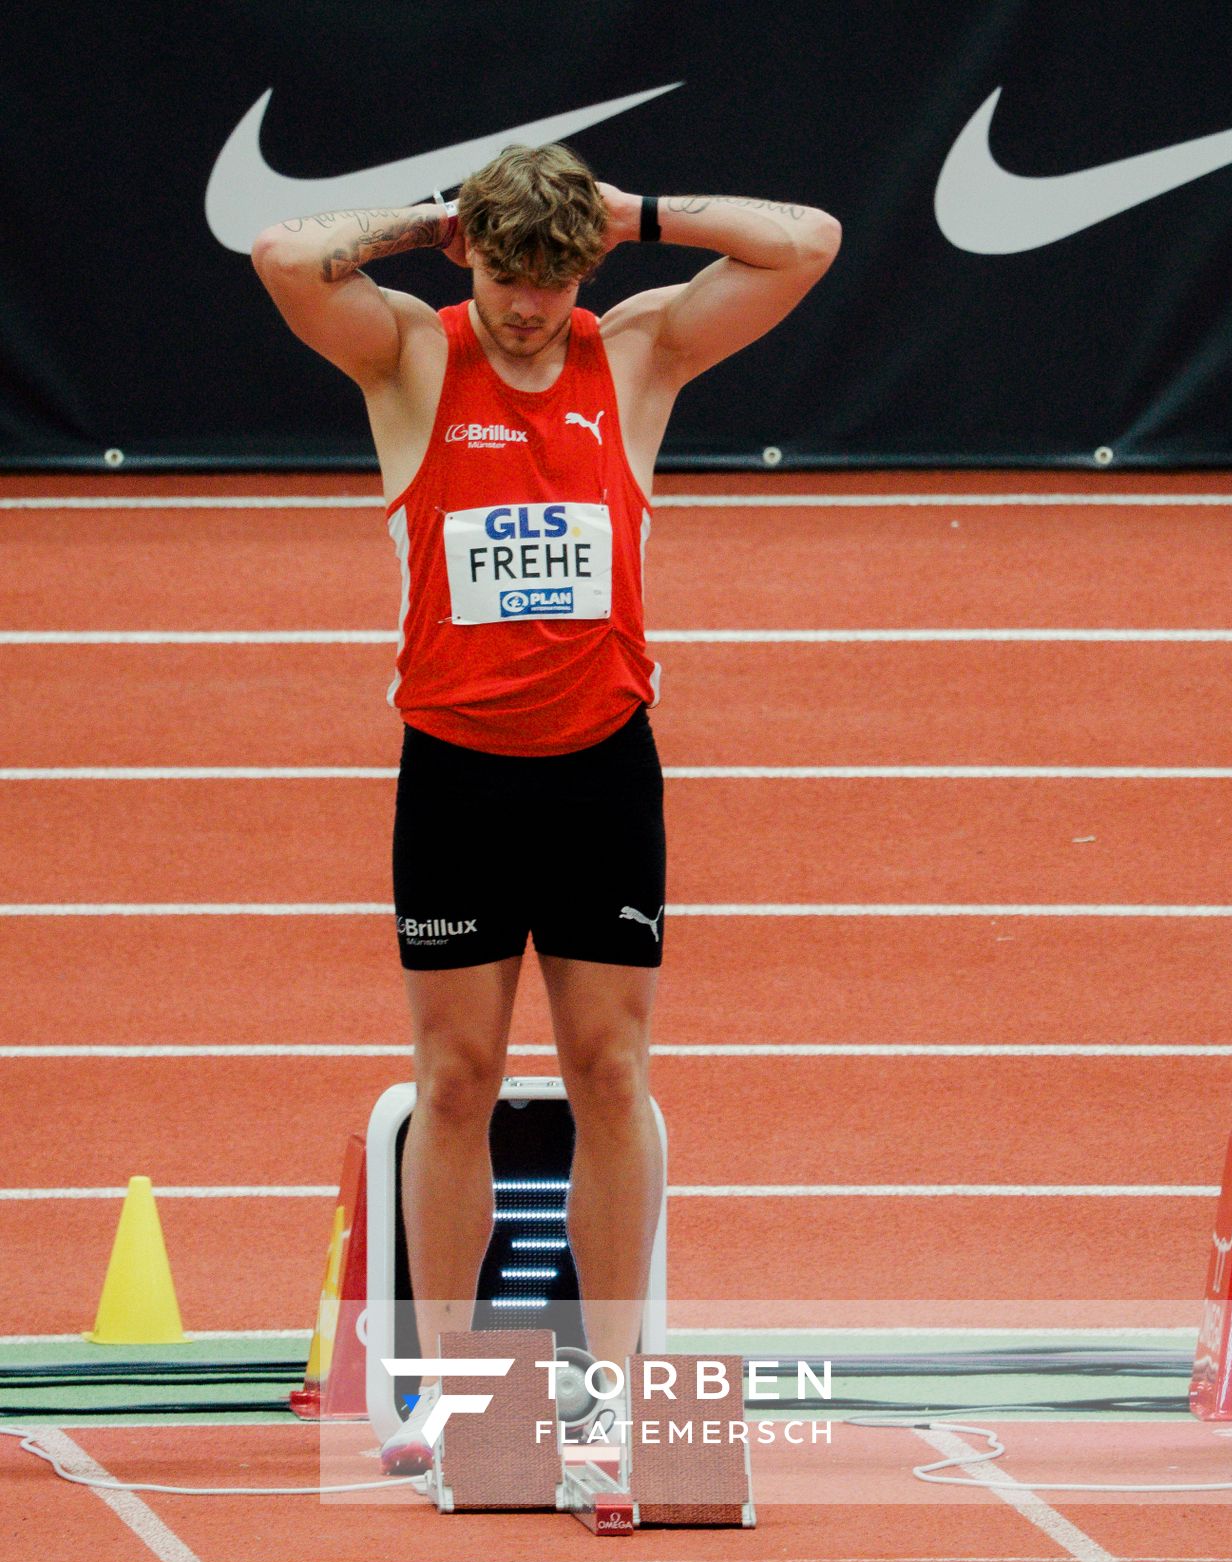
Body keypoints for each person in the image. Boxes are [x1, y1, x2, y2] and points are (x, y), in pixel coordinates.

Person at [252, 146, 840, 1456]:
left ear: (584, 264)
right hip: (458, 770)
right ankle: (456, 1390)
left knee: (610, 1072)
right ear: (478, 260)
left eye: (553, 276)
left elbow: (806, 236)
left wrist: (636, 217)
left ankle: (621, 1385)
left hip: (599, 767)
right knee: (455, 1081)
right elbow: (285, 259)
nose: (528, 307)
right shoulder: (411, 355)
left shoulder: (635, 354)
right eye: (509, 275)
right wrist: (427, 227)